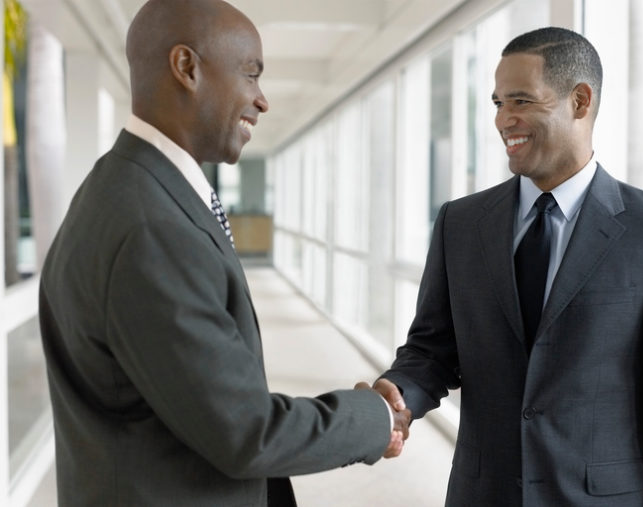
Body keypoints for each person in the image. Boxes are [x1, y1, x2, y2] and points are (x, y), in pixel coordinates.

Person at [38, 1, 410, 505]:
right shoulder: (151, 226)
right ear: (187, 68)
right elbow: (245, 431)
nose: (262, 101)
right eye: (251, 75)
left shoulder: (128, 189)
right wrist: (373, 419)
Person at [371, 26, 643, 506]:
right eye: (497, 104)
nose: (503, 120)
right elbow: (433, 348)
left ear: (580, 101)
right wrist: (399, 391)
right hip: (483, 493)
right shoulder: (460, 222)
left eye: (521, 101)